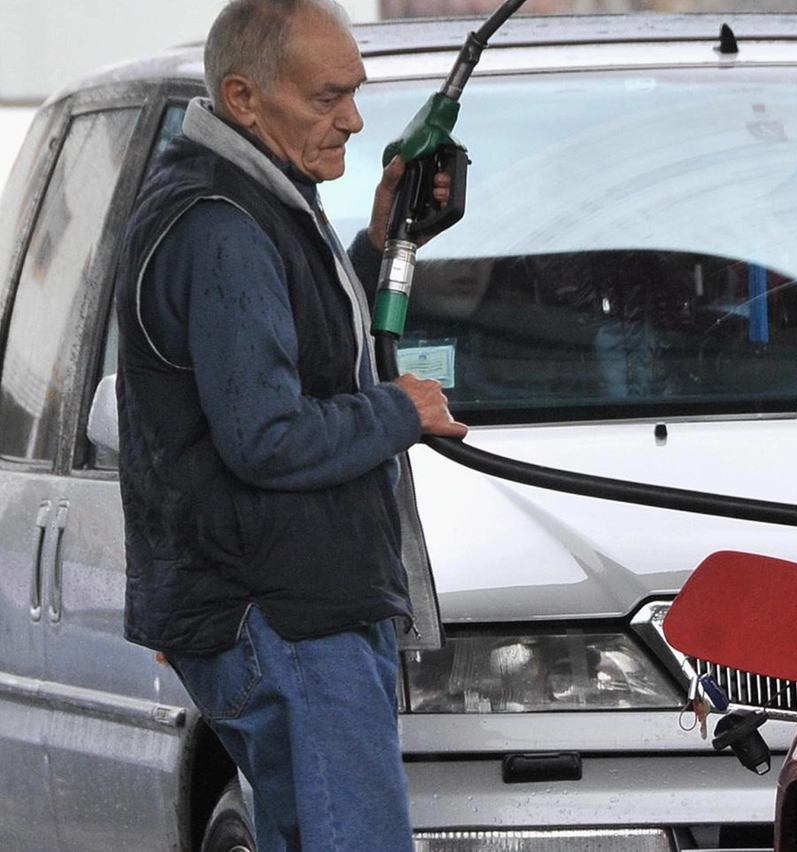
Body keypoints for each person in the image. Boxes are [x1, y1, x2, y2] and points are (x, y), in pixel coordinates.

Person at [112, 1, 466, 850]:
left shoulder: (249, 199)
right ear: (243, 97)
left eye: (354, 93)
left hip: (285, 607)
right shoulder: (221, 221)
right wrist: (398, 409)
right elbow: (264, 433)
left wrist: (381, 243)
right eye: (326, 98)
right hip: (287, 615)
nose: (353, 118)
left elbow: (293, 348)